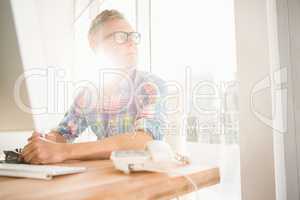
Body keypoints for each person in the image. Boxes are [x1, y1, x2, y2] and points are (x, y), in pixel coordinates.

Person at [21, 10, 166, 164]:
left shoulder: (149, 86)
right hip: (104, 176)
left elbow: (143, 140)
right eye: (121, 36)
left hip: (143, 178)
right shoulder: (88, 94)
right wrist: (46, 141)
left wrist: (64, 151)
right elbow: (63, 134)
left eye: (133, 36)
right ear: (96, 46)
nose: (131, 43)